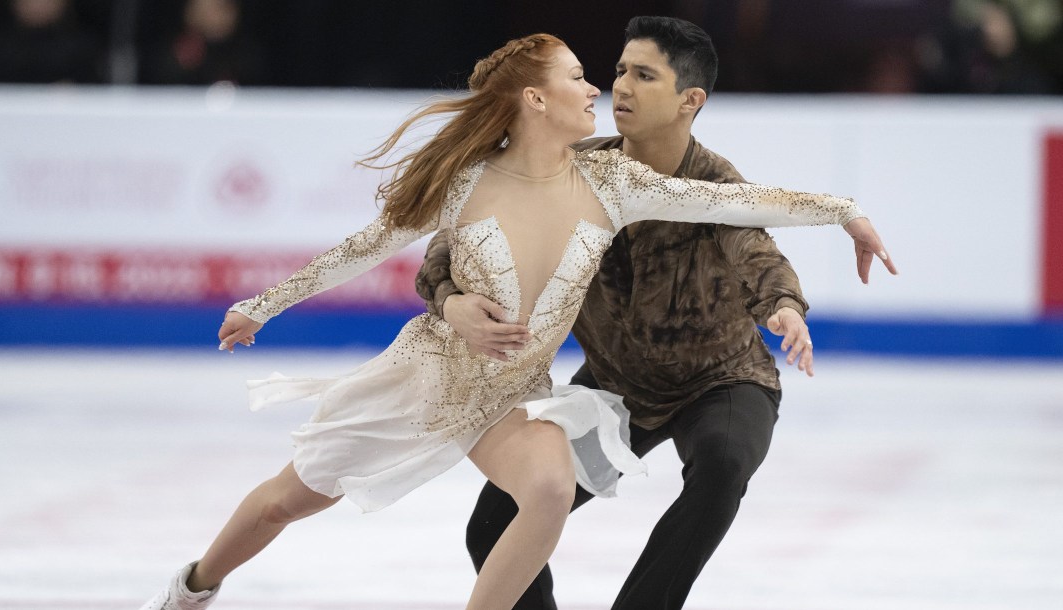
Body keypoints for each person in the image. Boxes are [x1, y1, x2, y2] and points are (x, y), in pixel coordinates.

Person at [139, 32, 885, 610]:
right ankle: (196, 584)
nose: (596, 87)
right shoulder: (466, 184)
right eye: (576, 78)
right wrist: (262, 307)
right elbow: (363, 250)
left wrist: (844, 212)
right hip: (423, 381)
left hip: (506, 398)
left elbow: (735, 208)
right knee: (283, 503)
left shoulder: (612, 181)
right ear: (534, 99)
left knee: (552, 487)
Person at [415, 16, 898, 610]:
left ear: (689, 101)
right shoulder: (573, 170)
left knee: (722, 467)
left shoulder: (713, 182)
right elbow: (451, 245)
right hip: (616, 391)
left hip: (721, 382)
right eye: (619, 70)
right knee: (492, 525)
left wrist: (783, 308)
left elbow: (755, 250)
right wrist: (452, 299)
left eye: (644, 75)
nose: (620, 86)